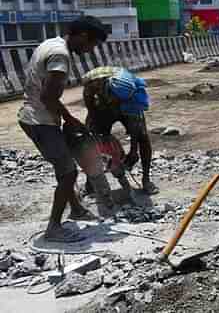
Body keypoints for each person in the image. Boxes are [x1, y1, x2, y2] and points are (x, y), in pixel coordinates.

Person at [17, 16, 109, 243]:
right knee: (68, 173)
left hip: (35, 116)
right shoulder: (61, 56)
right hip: (40, 120)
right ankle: (54, 228)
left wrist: (67, 120)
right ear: (84, 36)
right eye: (92, 44)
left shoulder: (51, 43)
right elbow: (48, 96)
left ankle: (76, 209)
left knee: (64, 166)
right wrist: (69, 118)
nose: (90, 50)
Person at [82, 66, 157, 196]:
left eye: (119, 100)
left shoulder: (134, 95)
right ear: (109, 89)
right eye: (115, 99)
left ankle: (146, 180)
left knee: (143, 137)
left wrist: (133, 151)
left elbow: (135, 126)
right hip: (103, 106)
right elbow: (90, 106)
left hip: (128, 106)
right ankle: (90, 182)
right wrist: (100, 134)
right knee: (91, 139)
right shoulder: (94, 82)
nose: (116, 102)